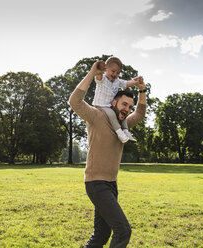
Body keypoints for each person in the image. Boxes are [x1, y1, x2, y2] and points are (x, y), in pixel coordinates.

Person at [69, 60, 147, 248]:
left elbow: (140, 114)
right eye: (124, 104)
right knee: (123, 231)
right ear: (113, 102)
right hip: (96, 184)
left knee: (102, 234)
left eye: (129, 106)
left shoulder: (123, 124)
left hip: (111, 184)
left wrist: (142, 91)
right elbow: (74, 102)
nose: (127, 109)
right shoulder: (96, 116)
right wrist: (91, 73)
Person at [93, 56, 141, 143]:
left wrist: (135, 82)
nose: (115, 74)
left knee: (123, 116)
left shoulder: (117, 81)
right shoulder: (102, 79)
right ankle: (119, 132)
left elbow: (126, 84)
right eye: (113, 71)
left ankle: (126, 131)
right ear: (105, 69)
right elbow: (98, 77)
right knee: (112, 114)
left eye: (118, 73)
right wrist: (99, 70)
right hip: (100, 105)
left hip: (110, 105)